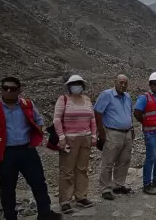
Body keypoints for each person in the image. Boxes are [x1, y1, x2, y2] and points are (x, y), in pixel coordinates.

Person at [0, 77, 62, 220]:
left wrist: (35, 139)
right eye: (5, 88)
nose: (8, 91)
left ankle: (45, 213)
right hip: (6, 153)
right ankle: (10, 216)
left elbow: (38, 120)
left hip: (27, 150)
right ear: (1, 89)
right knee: (7, 187)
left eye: (12, 89)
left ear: (19, 90)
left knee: (39, 182)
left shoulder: (27, 104)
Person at [53, 75, 96, 213]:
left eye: (79, 83)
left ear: (82, 85)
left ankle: (81, 196)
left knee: (82, 169)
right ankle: (65, 201)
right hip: (69, 139)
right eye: (74, 83)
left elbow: (92, 119)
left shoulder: (87, 100)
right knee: (67, 170)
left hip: (86, 138)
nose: (76, 85)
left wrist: (94, 136)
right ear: (69, 86)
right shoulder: (63, 99)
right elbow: (57, 120)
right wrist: (61, 137)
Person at [94, 74, 134, 200]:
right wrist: (101, 132)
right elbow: (97, 112)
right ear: (115, 82)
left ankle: (118, 185)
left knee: (124, 160)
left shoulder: (127, 96)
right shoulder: (106, 95)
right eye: (120, 82)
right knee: (108, 161)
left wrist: (131, 128)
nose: (123, 85)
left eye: (125, 83)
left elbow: (128, 113)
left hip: (127, 132)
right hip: (112, 132)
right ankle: (105, 188)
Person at [134, 72, 156, 195]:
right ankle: (147, 184)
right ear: (150, 85)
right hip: (152, 134)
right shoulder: (144, 98)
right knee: (151, 158)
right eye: (154, 83)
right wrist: (146, 123)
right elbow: (137, 112)